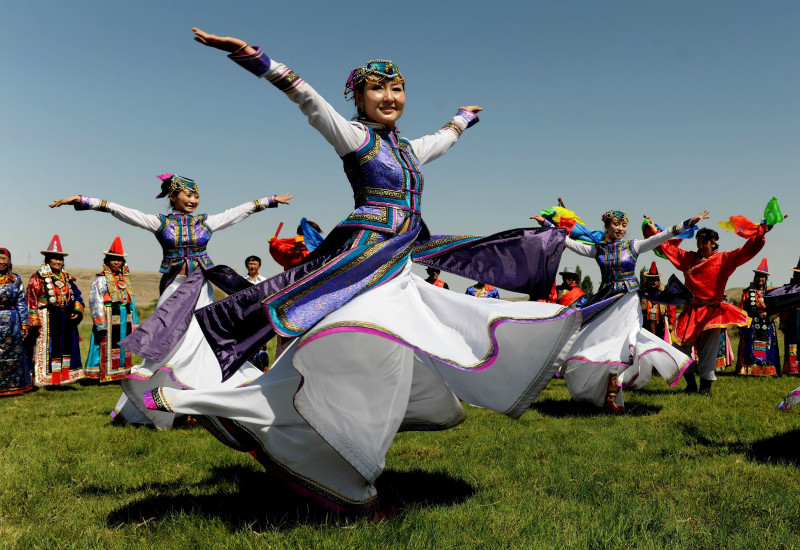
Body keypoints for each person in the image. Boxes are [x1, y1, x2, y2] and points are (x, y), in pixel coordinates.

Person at [132, 29, 584, 512]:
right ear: (359, 98)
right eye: (377, 89)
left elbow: (442, 140)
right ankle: (321, 455)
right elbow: (305, 97)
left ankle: (355, 461)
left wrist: (463, 119)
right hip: (360, 264)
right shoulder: (355, 138)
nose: (389, 97)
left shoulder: (410, 149)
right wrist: (251, 55)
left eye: (397, 89)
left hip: (396, 264)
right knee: (360, 350)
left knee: (395, 354)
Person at [49, 175, 293, 427]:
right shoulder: (159, 222)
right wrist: (82, 200)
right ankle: (165, 404)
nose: (193, 200)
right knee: (167, 340)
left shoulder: (205, 221)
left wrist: (269, 200)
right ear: (172, 197)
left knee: (202, 342)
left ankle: (201, 405)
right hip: (173, 289)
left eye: (196, 196)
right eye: (188, 195)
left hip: (200, 289)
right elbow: (121, 211)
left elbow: (236, 212)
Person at [532, 209, 705, 412]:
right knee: (596, 345)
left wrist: (687, 223)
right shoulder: (598, 249)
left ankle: (611, 397)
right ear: (607, 226)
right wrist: (547, 225)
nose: (620, 229)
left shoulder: (634, 246)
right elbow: (569, 242)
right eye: (616, 225)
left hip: (629, 302)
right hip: (606, 301)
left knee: (624, 344)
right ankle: (596, 394)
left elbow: (662, 235)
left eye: (623, 225)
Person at [652, 225, 768, 395]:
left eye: (704, 242)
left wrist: (760, 234)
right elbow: (666, 248)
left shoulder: (724, 259)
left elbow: (745, 252)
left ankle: (705, 388)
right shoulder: (688, 258)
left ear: (713, 243)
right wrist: (653, 230)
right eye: (698, 241)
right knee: (679, 349)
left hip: (712, 312)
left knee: (709, 351)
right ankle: (690, 383)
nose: (699, 245)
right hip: (691, 310)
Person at [26, 235, 84, 386]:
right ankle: (46, 378)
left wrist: (77, 311)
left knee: (66, 346)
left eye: (61, 259)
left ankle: (64, 377)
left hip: (66, 319)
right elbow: (31, 298)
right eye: (55, 258)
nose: (58, 261)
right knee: (48, 347)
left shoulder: (67, 279)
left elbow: (77, 296)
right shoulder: (37, 278)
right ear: (48, 259)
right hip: (47, 318)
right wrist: (33, 322)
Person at [85, 236, 140, 383]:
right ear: (107, 261)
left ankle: (121, 373)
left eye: (119, 259)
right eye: (113, 259)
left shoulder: (126, 280)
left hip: (124, 317)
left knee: (123, 345)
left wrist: (134, 321)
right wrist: (100, 322)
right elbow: (95, 300)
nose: (117, 262)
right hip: (109, 316)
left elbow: (131, 301)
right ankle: (102, 373)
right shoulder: (101, 280)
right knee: (104, 344)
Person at [736, 259, 780, 376]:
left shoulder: (772, 293)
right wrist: (741, 325)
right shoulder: (747, 292)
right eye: (758, 276)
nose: (760, 279)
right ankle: (750, 369)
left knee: (767, 347)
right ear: (755, 277)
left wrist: (769, 316)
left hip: (767, 325)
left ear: (766, 279)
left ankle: (766, 370)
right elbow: (742, 310)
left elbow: (777, 310)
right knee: (750, 347)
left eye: (763, 277)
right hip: (752, 325)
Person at [0, 247, 32, 396]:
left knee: (14, 354)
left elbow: (21, 302)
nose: (1, 262)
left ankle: (14, 386)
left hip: (12, 323)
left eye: (4, 259)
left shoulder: (16, 279)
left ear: (9, 261)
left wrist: (24, 323)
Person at [640, 261, 675, 343]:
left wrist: (671, 323)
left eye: (655, 280)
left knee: (661, 344)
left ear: (658, 280)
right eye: (650, 280)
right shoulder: (642, 293)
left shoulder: (664, 293)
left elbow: (671, 308)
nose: (653, 282)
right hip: (645, 324)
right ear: (647, 280)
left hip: (661, 324)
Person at [779, 258, 800, 375]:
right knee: (792, 344)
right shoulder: (788, 289)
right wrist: (783, 323)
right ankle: (792, 368)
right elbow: (782, 307)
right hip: (791, 320)